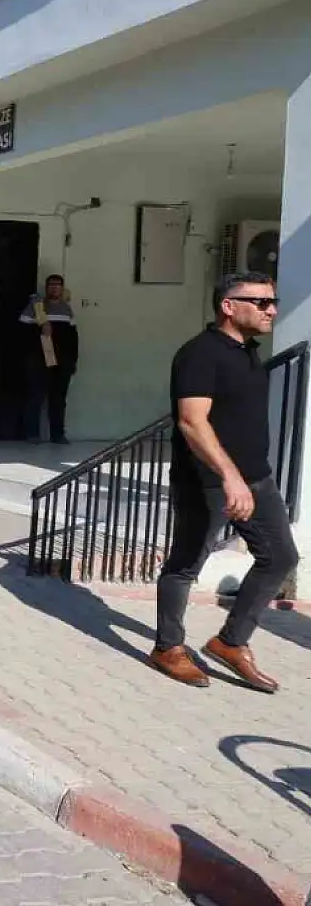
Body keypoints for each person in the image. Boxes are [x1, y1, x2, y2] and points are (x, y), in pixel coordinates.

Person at [150, 271, 295, 694]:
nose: (271, 309)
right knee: (185, 565)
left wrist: (247, 479)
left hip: (256, 478)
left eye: (273, 301)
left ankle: (230, 643)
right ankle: (167, 648)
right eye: (261, 302)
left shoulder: (247, 352)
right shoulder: (200, 354)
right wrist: (230, 478)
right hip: (208, 481)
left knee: (280, 557)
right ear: (228, 306)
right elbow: (192, 423)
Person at [19, 274, 79, 444]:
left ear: (62, 289)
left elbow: (73, 338)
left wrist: (72, 361)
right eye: (51, 285)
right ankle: (32, 434)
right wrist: (40, 329)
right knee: (35, 397)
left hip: (62, 362)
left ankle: (58, 435)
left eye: (58, 285)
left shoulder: (67, 310)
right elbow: (21, 333)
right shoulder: (35, 307)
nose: (55, 288)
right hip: (38, 361)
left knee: (59, 399)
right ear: (46, 288)